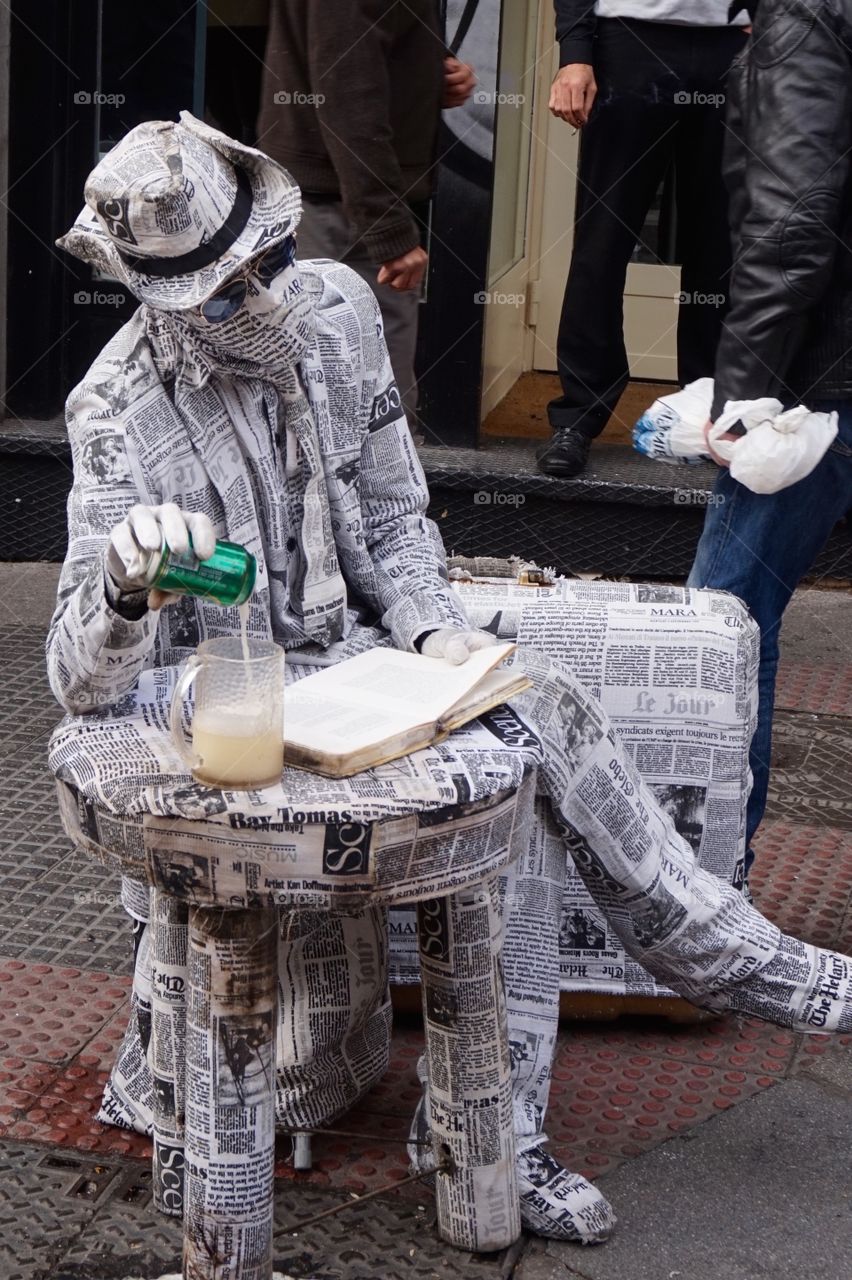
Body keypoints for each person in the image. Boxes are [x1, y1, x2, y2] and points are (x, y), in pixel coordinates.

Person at [50, 115, 852, 1248]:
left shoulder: (333, 309)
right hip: (216, 709)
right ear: (163, 297)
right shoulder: (113, 410)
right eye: (229, 291)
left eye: (269, 259)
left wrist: (435, 639)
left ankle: (497, 1131)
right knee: (494, 769)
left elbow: (391, 516)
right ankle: (749, 968)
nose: (266, 298)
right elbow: (79, 680)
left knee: (520, 731)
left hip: (366, 664)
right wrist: (128, 589)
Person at [688, 0, 852, 877]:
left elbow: (792, 225)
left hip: (823, 391)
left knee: (721, 632)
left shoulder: (806, 13)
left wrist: (743, 398)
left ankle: (703, 893)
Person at [537, 1, 749, 478]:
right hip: (628, 40)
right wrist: (575, 53)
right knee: (603, 241)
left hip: (734, 42)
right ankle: (578, 417)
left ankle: (710, 414)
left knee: (720, 245)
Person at [258, 0, 476, 427]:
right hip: (338, 209)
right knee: (366, 415)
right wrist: (388, 229)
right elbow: (346, 93)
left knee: (353, 409)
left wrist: (435, 69)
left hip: (343, 202)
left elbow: (366, 49)